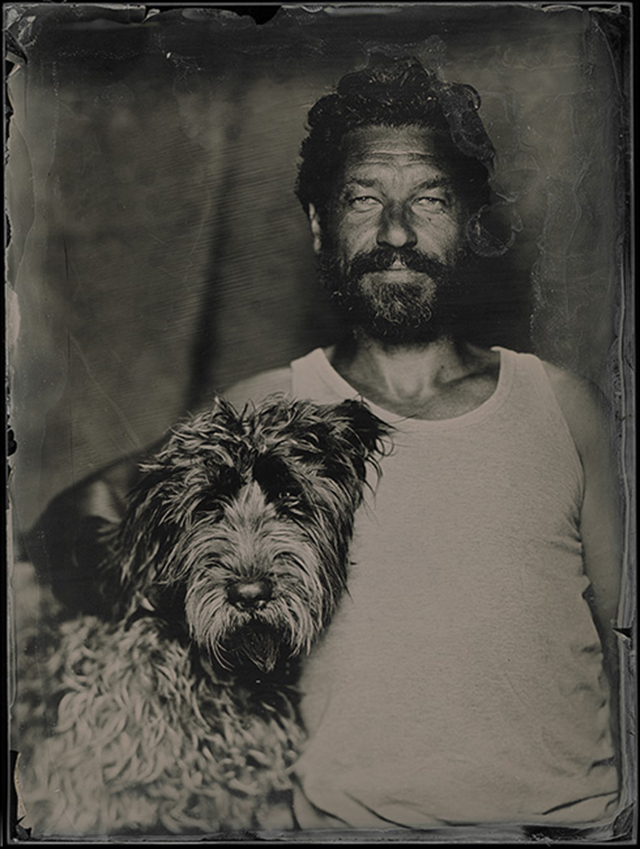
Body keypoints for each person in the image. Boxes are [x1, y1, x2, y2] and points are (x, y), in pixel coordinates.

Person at [26, 56, 623, 835]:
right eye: (364, 200)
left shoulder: (560, 404)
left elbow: (627, 639)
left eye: (430, 200)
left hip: (570, 829)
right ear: (319, 226)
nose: (398, 232)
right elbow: (91, 511)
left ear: (473, 223)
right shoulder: (268, 406)